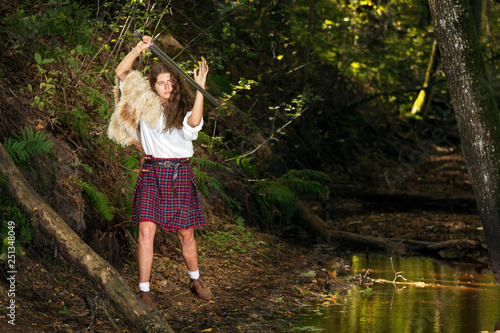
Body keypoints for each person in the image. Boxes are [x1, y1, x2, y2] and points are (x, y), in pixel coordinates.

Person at [107, 35, 213, 309]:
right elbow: (121, 72)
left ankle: (195, 280)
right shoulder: (143, 106)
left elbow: (194, 124)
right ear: (153, 87)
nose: (167, 87)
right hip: (153, 173)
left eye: (170, 82)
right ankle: (144, 290)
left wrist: (199, 88)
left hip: (180, 175)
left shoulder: (183, 111)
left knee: (186, 235)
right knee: (146, 233)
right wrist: (138, 49)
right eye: (161, 83)